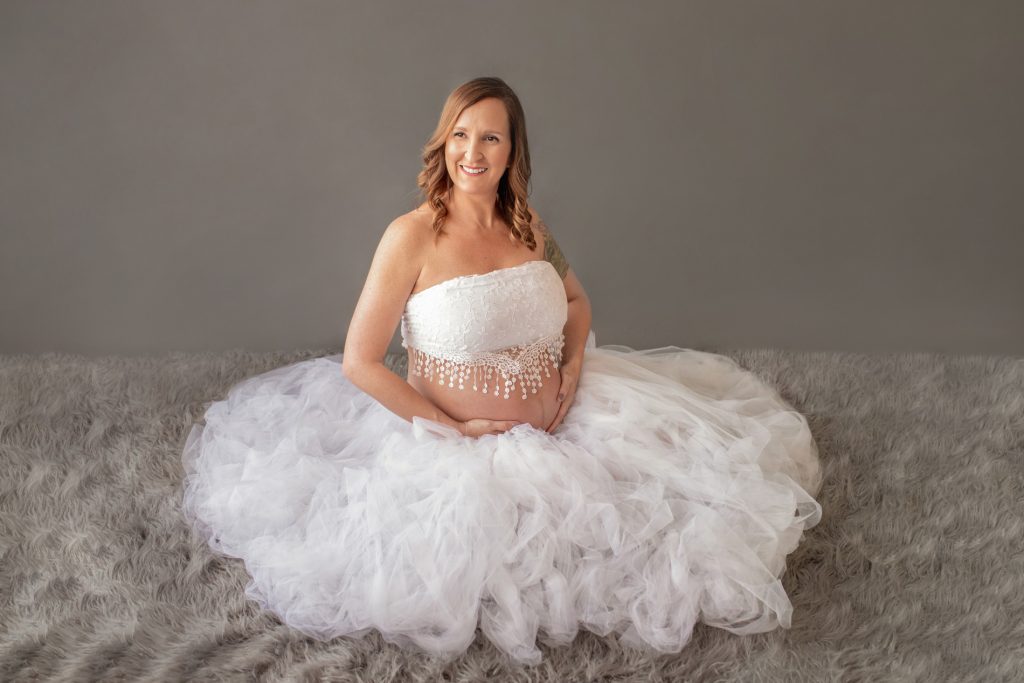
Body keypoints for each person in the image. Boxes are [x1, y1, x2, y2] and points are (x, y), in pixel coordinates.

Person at [180, 76, 824, 666]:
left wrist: (572, 361)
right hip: (459, 450)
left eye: (490, 136)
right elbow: (360, 362)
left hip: (569, 429)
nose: (474, 152)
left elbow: (576, 300)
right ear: (444, 142)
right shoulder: (412, 236)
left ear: (512, 150)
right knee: (489, 576)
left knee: (683, 506)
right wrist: (449, 431)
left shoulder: (529, 226)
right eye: (461, 134)